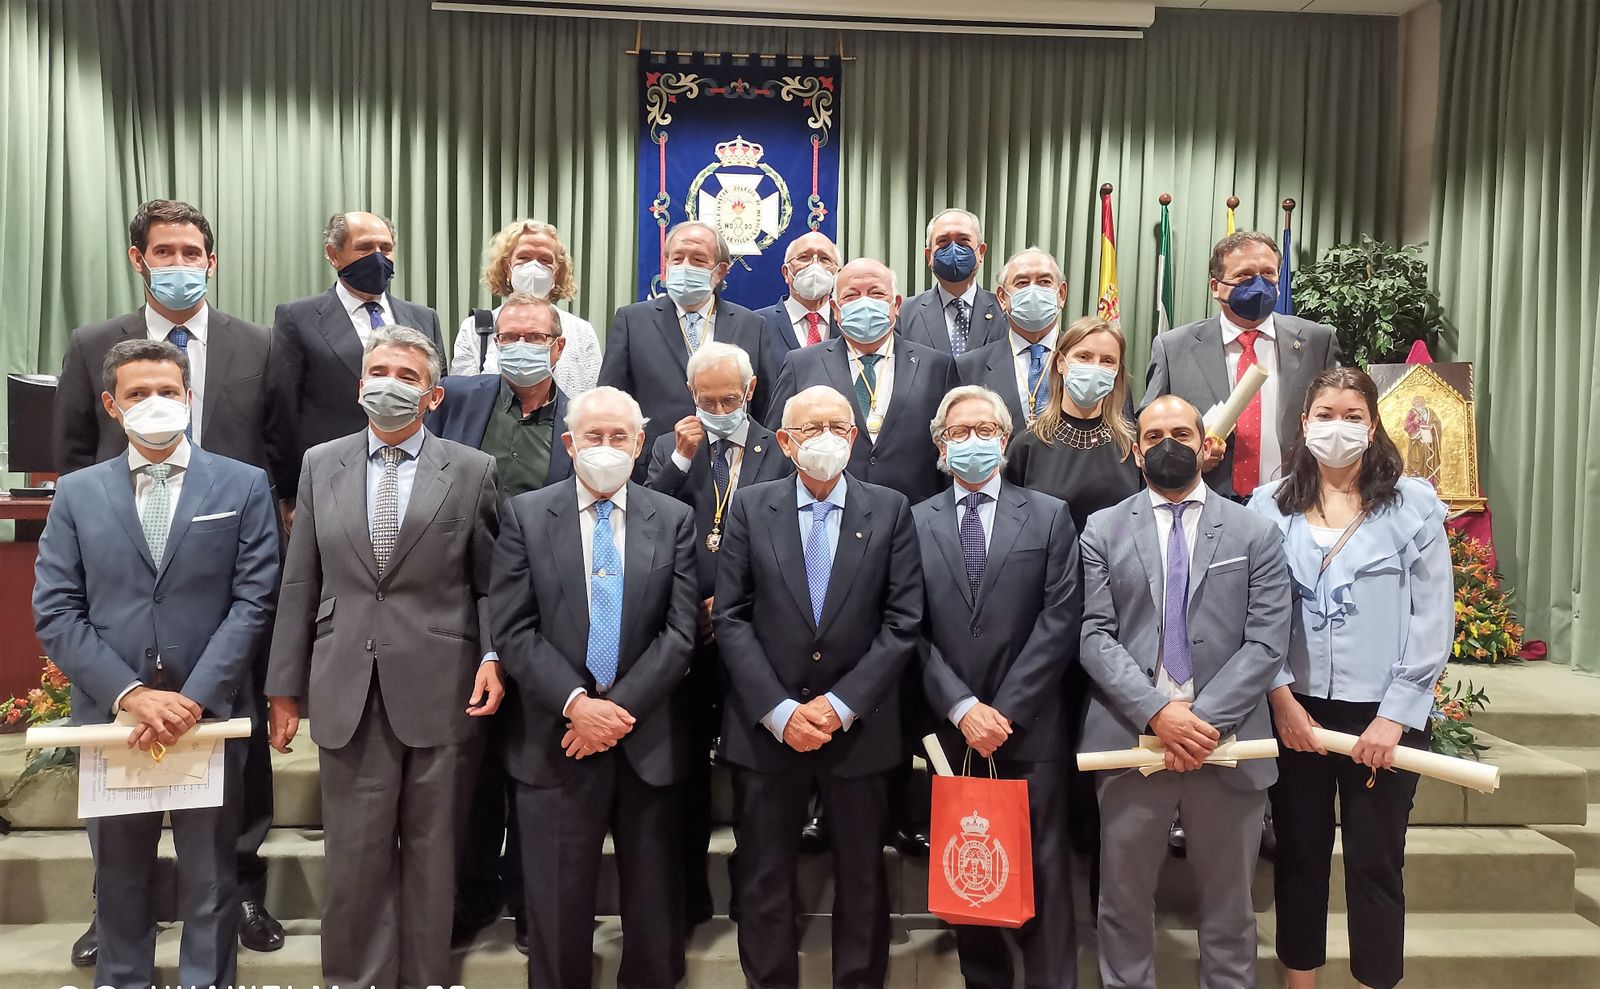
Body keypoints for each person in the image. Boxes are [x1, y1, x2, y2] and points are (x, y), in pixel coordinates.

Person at [50, 199, 285, 964]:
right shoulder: (85, 468)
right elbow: (58, 594)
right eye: (165, 249)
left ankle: (234, 915)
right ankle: (119, 946)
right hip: (116, 682)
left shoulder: (257, 353)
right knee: (120, 867)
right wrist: (127, 690)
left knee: (216, 857)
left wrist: (195, 690)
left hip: (210, 661)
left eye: (193, 249)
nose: (180, 262)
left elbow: (274, 461)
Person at [264, 326, 503, 989]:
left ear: (432, 394)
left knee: (433, 854)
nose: (388, 382)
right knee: (356, 855)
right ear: (360, 382)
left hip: (442, 682)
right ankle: (355, 979)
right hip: (346, 680)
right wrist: (284, 687)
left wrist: (492, 654)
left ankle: (426, 976)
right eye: (378, 369)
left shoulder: (472, 468)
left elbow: (490, 581)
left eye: (404, 373)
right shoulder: (320, 463)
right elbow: (299, 581)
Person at [1249, 368, 1453, 989]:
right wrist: (1280, 698)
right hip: (1297, 711)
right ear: (1304, 423)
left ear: (1373, 425)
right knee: (1300, 857)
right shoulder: (1269, 505)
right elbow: (1258, 613)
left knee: (1375, 862)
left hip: (1385, 717)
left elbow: (1432, 617)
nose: (1337, 427)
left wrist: (1394, 716)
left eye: (1352, 415)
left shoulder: (1413, 505)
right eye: (1324, 414)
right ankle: (1300, 982)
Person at [713, 384, 923, 989]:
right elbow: (730, 616)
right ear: (784, 441)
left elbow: (903, 620)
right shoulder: (752, 507)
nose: (826, 437)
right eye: (811, 429)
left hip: (858, 730)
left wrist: (839, 706)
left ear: (854, 437)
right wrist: (779, 711)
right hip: (767, 730)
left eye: (839, 425)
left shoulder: (890, 509)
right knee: (764, 875)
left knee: (862, 877)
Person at [1079, 395, 1290, 989]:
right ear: (1136, 449)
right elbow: (1094, 637)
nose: (1167, 444)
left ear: (1205, 443)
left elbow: (1267, 640)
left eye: (1180, 432)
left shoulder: (1255, 531)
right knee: (1121, 906)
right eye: (1153, 435)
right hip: (1130, 745)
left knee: (1229, 911)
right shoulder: (1103, 528)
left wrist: (1201, 722)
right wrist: (1157, 714)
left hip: (1229, 748)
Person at [491, 386, 699, 989]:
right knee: (555, 911)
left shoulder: (674, 518)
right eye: (593, 437)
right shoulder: (526, 515)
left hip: (648, 743)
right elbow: (513, 627)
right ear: (569, 443)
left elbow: (681, 632)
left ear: (640, 444)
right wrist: (578, 706)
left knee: (655, 911)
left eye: (618, 437)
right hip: (554, 740)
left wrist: (616, 711)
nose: (605, 448)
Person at [915, 385, 1083, 989]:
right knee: (971, 871)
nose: (973, 440)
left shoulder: (1048, 514)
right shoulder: (913, 522)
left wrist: (1003, 711)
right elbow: (909, 629)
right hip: (950, 730)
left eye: (985, 429)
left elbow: (1060, 620)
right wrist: (962, 708)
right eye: (959, 432)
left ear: (1005, 440)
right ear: (940, 445)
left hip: (1029, 727)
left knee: (1043, 869)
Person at [429, 293, 572, 951]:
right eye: (509, 333)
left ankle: (528, 901)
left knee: (537, 767)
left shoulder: (581, 422)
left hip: (550, 618)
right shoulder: (458, 399)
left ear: (559, 345)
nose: (520, 343)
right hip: (466, 610)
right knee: (474, 768)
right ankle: (472, 896)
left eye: (534, 335)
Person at [644, 341, 794, 927]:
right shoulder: (668, 446)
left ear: (750, 392)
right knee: (682, 773)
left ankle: (751, 898)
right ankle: (688, 898)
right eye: (706, 399)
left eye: (728, 398)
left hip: (755, 633)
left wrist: (728, 603)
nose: (717, 408)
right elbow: (647, 524)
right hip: (685, 635)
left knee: (755, 777)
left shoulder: (778, 449)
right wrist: (680, 461)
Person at [266, 210, 443, 525]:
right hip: (328, 484)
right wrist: (290, 494)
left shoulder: (423, 318)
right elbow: (283, 410)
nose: (378, 258)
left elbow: (437, 405)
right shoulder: (298, 317)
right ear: (334, 254)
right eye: (365, 248)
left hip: (414, 482)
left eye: (385, 249)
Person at [1142, 230, 1341, 501]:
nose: (1258, 284)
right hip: (1207, 503)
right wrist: (1188, 455)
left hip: (1294, 502)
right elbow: (1148, 431)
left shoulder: (1317, 341)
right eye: (1244, 275)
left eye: (1268, 274)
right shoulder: (1173, 348)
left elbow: (1337, 418)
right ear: (1215, 286)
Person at [768, 257, 959, 508]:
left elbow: (950, 446)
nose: (864, 302)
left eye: (876, 293)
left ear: (896, 305)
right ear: (836, 309)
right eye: (852, 296)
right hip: (828, 512)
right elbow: (776, 446)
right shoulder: (800, 364)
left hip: (915, 515)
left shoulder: (937, 366)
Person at [598, 220, 777, 478]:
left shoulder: (752, 325)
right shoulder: (632, 320)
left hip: (732, 466)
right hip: (654, 469)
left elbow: (764, 404)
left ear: (720, 271)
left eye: (698, 260)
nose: (685, 267)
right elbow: (611, 400)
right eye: (677, 258)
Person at [1004, 315, 1143, 534]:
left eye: (1107, 360)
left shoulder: (1132, 447)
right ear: (1060, 363)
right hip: (1049, 566)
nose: (1094, 367)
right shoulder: (1027, 446)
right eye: (1083, 356)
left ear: (1117, 371)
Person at [448, 218, 602, 397]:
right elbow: (462, 399)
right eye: (524, 258)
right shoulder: (475, 328)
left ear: (557, 271)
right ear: (507, 267)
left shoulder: (582, 332)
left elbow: (593, 398)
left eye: (545, 260)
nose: (534, 267)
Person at [956, 247, 1069, 429]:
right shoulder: (969, 368)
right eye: (1022, 283)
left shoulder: (1093, 360)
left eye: (1045, 282)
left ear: (1061, 294)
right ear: (1002, 298)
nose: (1033, 290)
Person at [896, 208, 1005, 357]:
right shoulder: (904, 314)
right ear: (929, 256)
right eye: (943, 241)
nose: (954, 249)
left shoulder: (1005, 311)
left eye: (963, 240)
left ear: (981, 252)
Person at [754, 231, 840, 365]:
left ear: (837, 274)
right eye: (804, 257)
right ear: (786, 273)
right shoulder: (757, 324)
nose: (815, 265)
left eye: (824, 259)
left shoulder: (847, 323)